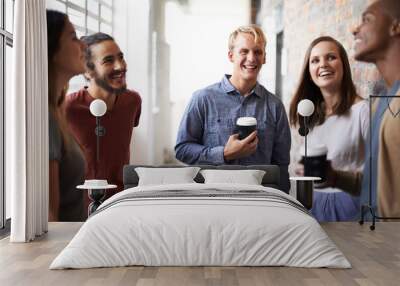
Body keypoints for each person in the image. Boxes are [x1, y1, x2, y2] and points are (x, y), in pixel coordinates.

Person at [175, 25, 291, 192]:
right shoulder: (203, 99)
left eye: (257, 52)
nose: (251, 58)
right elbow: (182, 149)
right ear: (231, 56)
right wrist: (224, 154)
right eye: (244, 52)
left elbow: (281, 166)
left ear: (265, 57)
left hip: (259, 201)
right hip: (213, 197)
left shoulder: (275, 106)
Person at [289, 36, 368, 222]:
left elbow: (381, 174)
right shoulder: (312, 116)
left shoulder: (362, 112)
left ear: (343, 65)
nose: (323, 64)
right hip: (311, 204)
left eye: (331, 57)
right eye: (315, 60)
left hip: (350, 207)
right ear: (309, 72)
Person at [65, 33, 142, 214]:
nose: (120, 66)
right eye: (108, 61)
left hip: (121, 202)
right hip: (78, 207)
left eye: (121, 57)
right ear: (87, 70)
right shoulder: (69, 107)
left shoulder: (133, 101)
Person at [353, 0, 400, 218]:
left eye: (367, 20)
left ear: (395, 27)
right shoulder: (380, 101)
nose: (355, 29)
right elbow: (379, 183)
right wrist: (334, 177)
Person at [47, 10, 86, 221]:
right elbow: (49, 215)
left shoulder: (58, 110)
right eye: (73, 37)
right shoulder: (46, 119)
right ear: (51, 49)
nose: (83, 46)